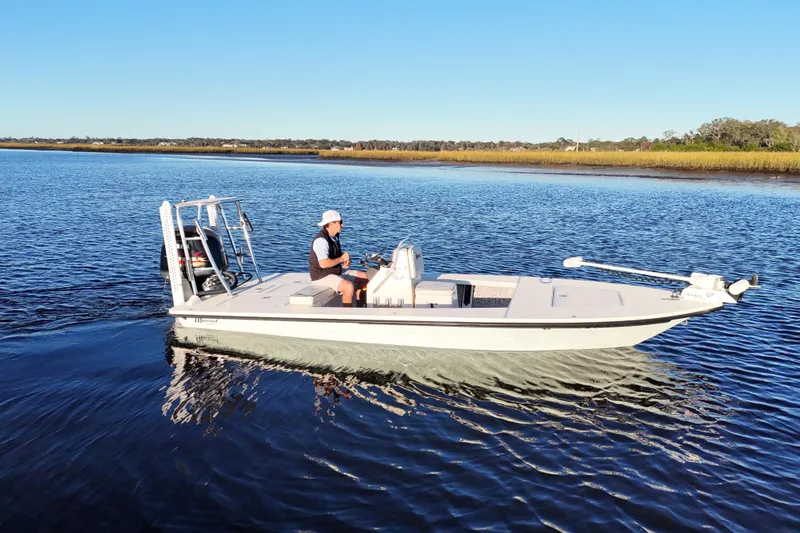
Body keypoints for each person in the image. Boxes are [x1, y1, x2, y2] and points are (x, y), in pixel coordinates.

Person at [309, 210, 368, 307]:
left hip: (335, 271)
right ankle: (348, 317)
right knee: (348, 286)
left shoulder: (334, 237)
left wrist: (346, 262)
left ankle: (359, 307)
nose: (343, 225)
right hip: (321, 276)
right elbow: (323, 263)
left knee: (366, 278)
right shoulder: (321, 240)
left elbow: (336, 259)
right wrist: (341, 259)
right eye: (340, 222)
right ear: (331, 223)